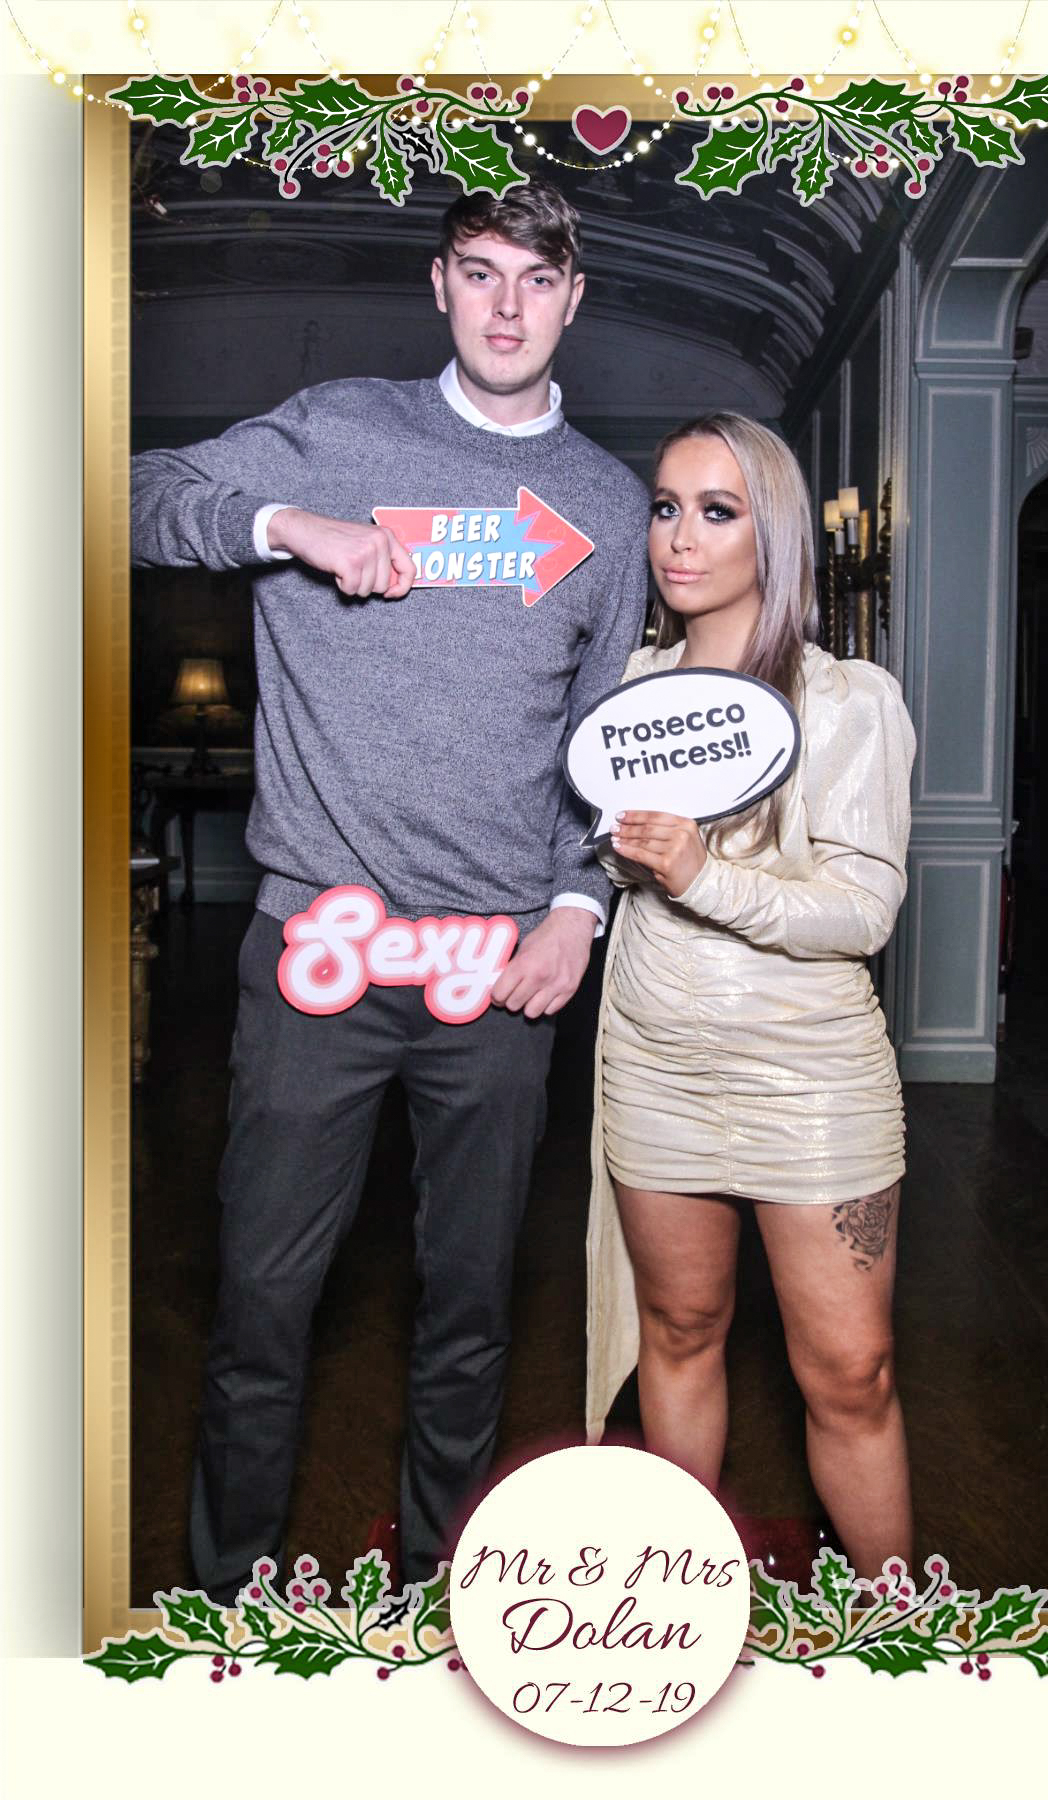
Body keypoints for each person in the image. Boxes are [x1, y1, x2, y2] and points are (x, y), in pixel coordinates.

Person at [131, 181, 649, 1597]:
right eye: (479, 273)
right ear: (439, 286)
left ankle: (438, 1594)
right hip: (324, 954)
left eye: (534, 280)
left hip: (500, 973)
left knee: (471, 1312)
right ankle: (229, 1604)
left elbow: (605, 740)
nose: (504, 306)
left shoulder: (609, 507)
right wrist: (290, 524)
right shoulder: (338, 427)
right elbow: (132, 498)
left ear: (573, 299)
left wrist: (579, 907)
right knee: (261, 1299)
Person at [585, 413, 916, 1579]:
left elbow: (864, 912)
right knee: (678, 1332)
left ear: (771, 535)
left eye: (717, 512)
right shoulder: (627, 690)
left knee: (851, 1373)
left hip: (809, 1073)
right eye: (665, 507)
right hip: (657, 1061)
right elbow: (602, 864)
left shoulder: (848, 700)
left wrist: (702, 875)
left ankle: (901, 1633)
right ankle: (685, 1603)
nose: (680, 538)